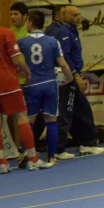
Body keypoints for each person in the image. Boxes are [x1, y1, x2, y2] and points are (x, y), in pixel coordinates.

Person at [0, 1, 52, 174]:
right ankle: (33, 159)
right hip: (8, 82)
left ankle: (2, 162)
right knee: (22, 116)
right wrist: (26, 70)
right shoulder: (5, 32)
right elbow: (17, 58)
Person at [18, 10, 74, 164]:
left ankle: (26, 151)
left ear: (30, 23)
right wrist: (69, 78)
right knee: (51, 121)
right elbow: (63, 64)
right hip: (49, 84)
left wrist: (20, 70)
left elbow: (14, 59)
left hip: (33, 84)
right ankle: (51, 156)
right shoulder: (52, 41)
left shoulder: (22, 42)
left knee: (29, 120)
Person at [48, 5, 104, 158]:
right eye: (75, 15)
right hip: (67, 78)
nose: (79, 18)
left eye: (79, 14)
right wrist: (76, 76)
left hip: (70, 77)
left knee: (82, 110)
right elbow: (64, 57)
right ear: (65, 16)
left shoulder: (71, 31)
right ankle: (58, 149)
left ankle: (87, 143)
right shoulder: (64, 33)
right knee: (66, 113)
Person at [6, 1, 30, 168]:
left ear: (25, 16)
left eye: (16, 14)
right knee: (13, 117)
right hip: (14, 82)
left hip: (30, 81)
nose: (13, 17)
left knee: (29, 115)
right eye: (11, 14)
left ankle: (27, 147)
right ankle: (17, 148)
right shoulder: (8, 34)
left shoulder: (29, 33)